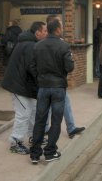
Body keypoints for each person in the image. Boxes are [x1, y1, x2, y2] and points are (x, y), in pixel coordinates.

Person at [30, 18, 74, 164]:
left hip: (43, 87)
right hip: (58, 88)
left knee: (40, 120)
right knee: (56, 121)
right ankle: (50, 152)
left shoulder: (38, 46)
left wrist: (40, 78)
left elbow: (32, 66)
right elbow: (69, 67)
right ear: (58, 29)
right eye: (61, 27)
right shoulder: (64, 46)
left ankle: (35, 154)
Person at [1, 21, 47, 155]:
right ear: (37, 32)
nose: (46, 34)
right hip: (18, 85)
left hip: (23, 85)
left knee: (32, 110)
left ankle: (34, 136)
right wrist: (43, 81)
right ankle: (15, 142)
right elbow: (32, 68)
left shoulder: (29, 42)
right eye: (44, 31)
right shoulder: (30, 45)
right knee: (24, 112)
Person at [43, 15, 85, 139]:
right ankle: (51, 128)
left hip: (53, 80)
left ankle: (70, 128)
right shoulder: (53, 42)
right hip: (54, 81)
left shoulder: (52, 42)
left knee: (63, 102)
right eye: (60, 23)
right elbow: (67, 64)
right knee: (52, 105)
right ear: (54, 26)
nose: (62, 25)